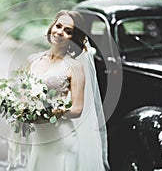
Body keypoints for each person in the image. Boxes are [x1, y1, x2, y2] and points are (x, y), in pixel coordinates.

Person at [23, 10, 109, 171]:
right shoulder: (33, 60)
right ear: (52, 26)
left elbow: (77, 109)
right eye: (58, 26)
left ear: (73, 38)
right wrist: (21, 110)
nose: (60, 32)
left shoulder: (74, 67)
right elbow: (24, 97)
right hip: (40, 136)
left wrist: (53, 112)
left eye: (68, 31)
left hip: (62, 138)